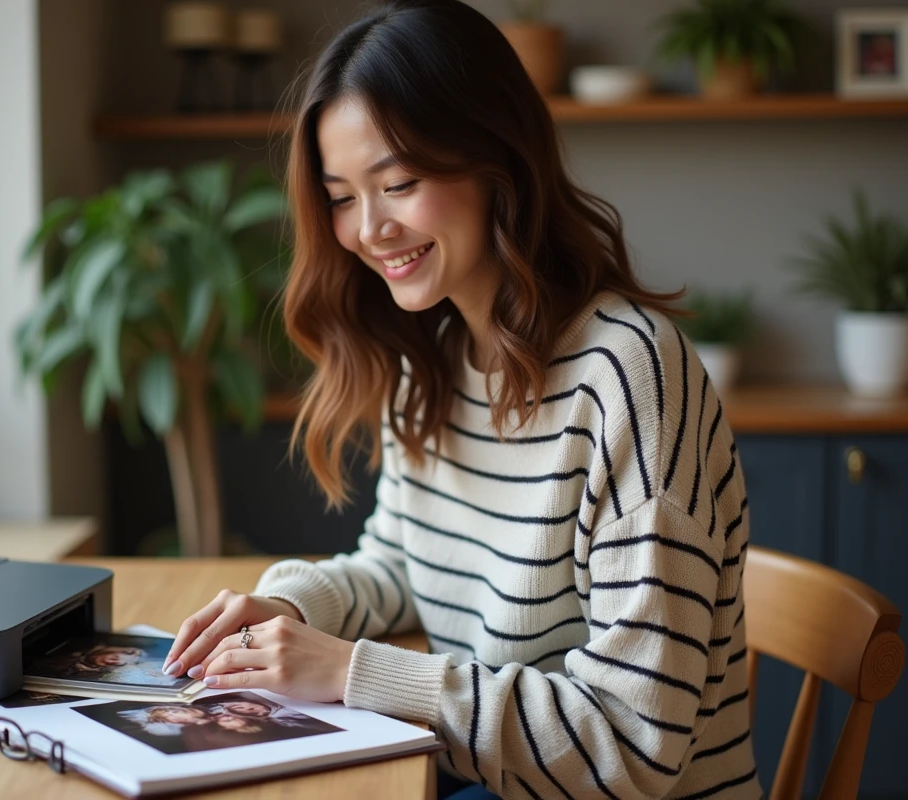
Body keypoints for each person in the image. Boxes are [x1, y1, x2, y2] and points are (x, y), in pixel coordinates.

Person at [163, 1, 758, 797]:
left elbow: (634, 745)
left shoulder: (631, 375)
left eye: (398, 183)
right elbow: (404, 566)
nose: (368, 229)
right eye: (341, 196)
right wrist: (287, 612)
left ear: (496, 159)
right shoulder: (435, 356)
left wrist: (352, 672)